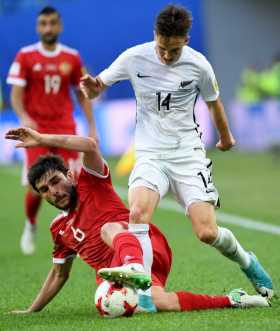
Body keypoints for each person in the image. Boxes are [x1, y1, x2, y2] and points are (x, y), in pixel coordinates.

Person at [79, 4, 273, 298]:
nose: (167, 56)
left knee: (206, 232)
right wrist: (91, 88)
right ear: (155, 35)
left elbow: (213, 103)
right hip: (150, 154)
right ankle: (144, 294)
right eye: (162, 48)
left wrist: (226, 136)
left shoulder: (199, 65)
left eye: (174, 50)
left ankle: (248, 262)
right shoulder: (133, 58)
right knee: (138, 213)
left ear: (186, 41)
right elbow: (98, 86)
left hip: (187, 156)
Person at [5, 127, 269, 315]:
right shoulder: (59, 229)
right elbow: (58, 274)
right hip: (116, 274)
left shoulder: (91, 182)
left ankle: (132, 267)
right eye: (44, 189)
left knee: (108, 228)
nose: (53, 191)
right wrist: (31, 310)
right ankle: (235, 300)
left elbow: (90, 145)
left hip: (145, 247)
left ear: (69, 176)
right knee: (156, 303)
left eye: (55, 181)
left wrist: (41, 138)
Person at [6, 6, 97, 255]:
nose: (48, 28)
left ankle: (78, 231)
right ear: (38, 27)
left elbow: (82, 94)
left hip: (65, 128)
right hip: (36, 134)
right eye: (43, 24)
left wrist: (91, 125)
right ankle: (31, 224)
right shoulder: (25, 56)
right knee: (38, 185)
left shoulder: (72, 57)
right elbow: (15, 93)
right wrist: (24, 117)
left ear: (60, 26)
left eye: (52, 23)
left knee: (71, 182)